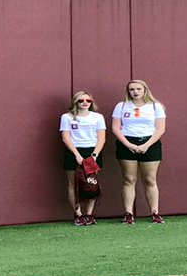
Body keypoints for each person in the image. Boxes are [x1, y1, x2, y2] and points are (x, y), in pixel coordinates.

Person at [112, 80, 167, 225]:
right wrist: (128, 144)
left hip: (150, 143)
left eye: (138, 89)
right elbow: (116, 128)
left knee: (150, 179)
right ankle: (128, 213)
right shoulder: (121, 106)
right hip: (127, 143)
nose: (135, 92)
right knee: (129, 179)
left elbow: (160, 128)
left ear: (145, 90)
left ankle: (154, 212)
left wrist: (146, 145)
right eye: (131, 89)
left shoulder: (156, 106)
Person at [60, 91, 107, 226]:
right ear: (75, 102)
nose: (85, 103)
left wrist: (94, 156)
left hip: (92, 151)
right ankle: (78, 214)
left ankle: (89, 214)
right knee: (73, 184)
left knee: (91, 183)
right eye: (81, 100)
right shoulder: (67, 117)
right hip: (73, 151)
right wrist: (76, 155)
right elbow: (66, 137)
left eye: (88, 100)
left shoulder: (97, 117)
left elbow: (102, 137)